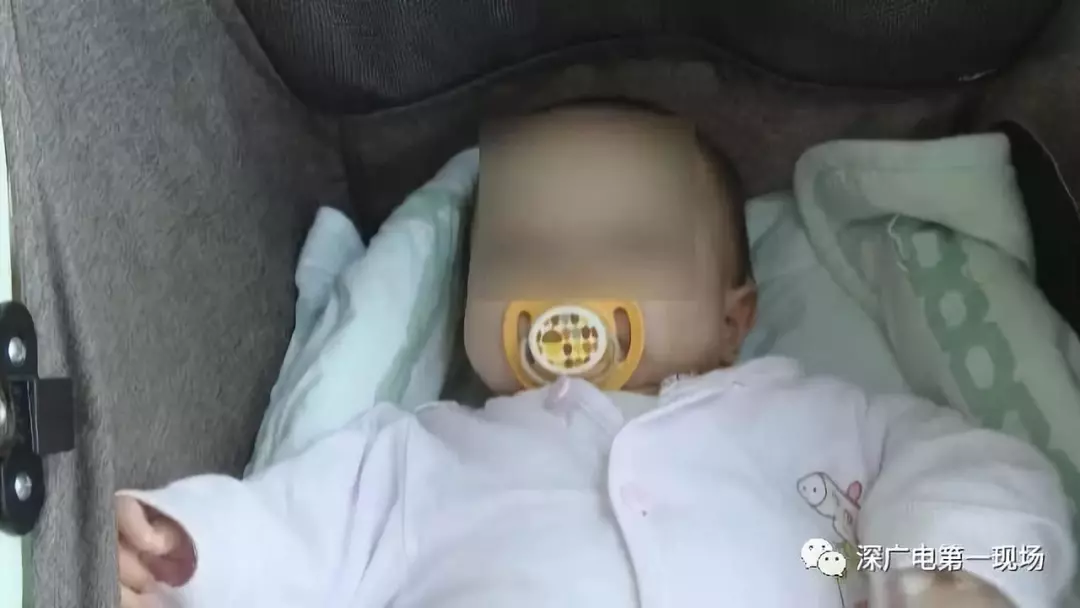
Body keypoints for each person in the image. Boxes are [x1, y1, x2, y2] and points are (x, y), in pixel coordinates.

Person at [116, 102, 1075, 608]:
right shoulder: (421, 456)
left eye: (629, 244)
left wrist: (954, 575)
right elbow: (292, 531)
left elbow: (980, 468)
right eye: (523, 251)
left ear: (735, 317)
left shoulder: (826, 419)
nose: (569, 274)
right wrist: (194, 550)